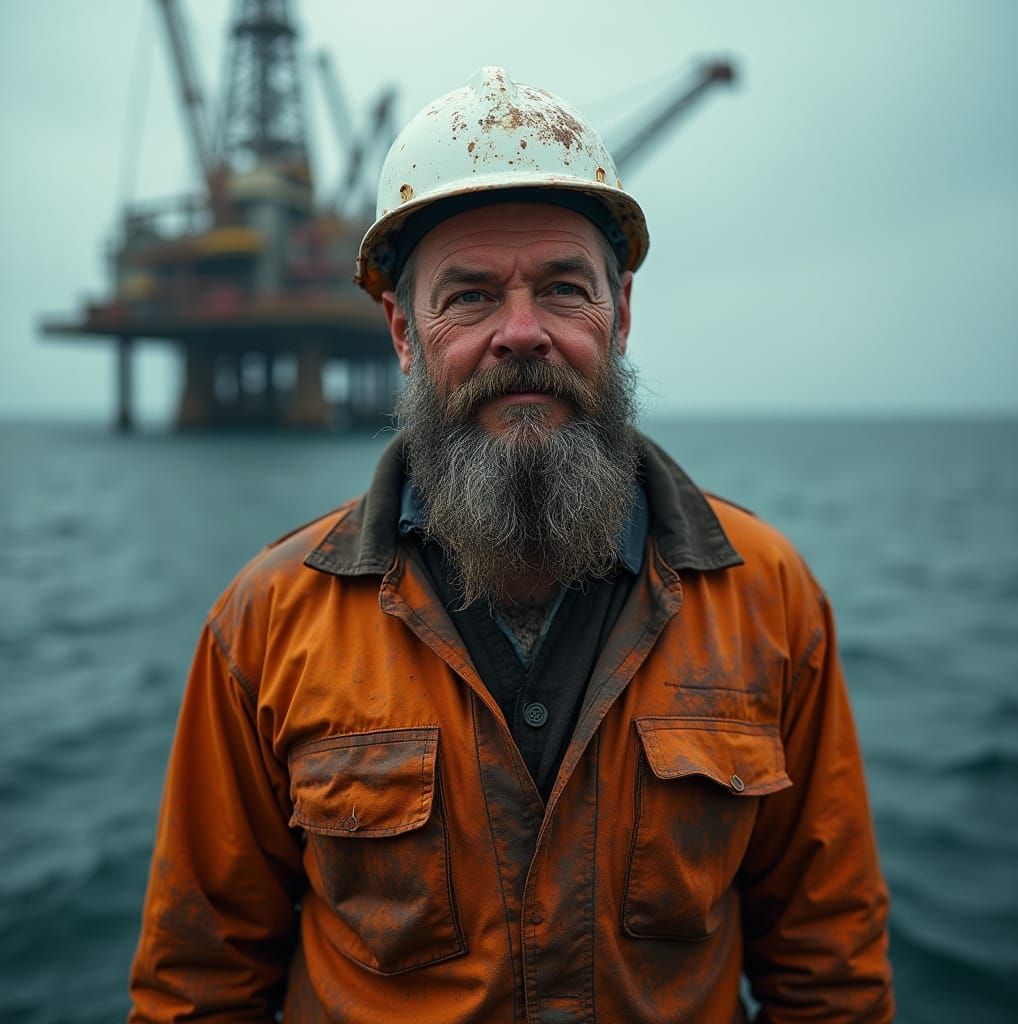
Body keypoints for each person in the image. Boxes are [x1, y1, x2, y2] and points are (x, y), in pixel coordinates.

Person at [129, 67, 894, 1022]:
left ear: (620, 317)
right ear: (404, 334)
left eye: (564, 290)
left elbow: (830, 971)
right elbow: (198, 986)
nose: (521, 334)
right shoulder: (266, 622)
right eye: (473, 296)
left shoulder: (769, 598)